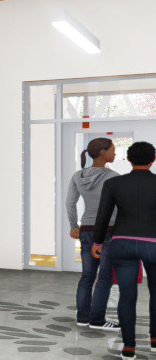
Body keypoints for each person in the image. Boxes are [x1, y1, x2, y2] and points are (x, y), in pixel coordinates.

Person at [92, 140, 156, 360]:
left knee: (127, 296)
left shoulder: (114, 184)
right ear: (154, 159)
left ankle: (129, 347)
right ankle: (155, 339)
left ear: (128, 159)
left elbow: (102, 216)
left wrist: (97, 242)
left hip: (122, 243)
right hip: (153, 243)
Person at [67, 137, 119, 329]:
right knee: (104, 276)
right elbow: (120, 206)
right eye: (113, 150)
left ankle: (82, 318)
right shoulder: (113, 177)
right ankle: (97, 320)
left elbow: (69, 202)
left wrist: (74, 224)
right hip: (109, 230)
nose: (115, 153)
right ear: (103, 152)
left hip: (87, 229)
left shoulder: (78, 176)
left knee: (87, 275)